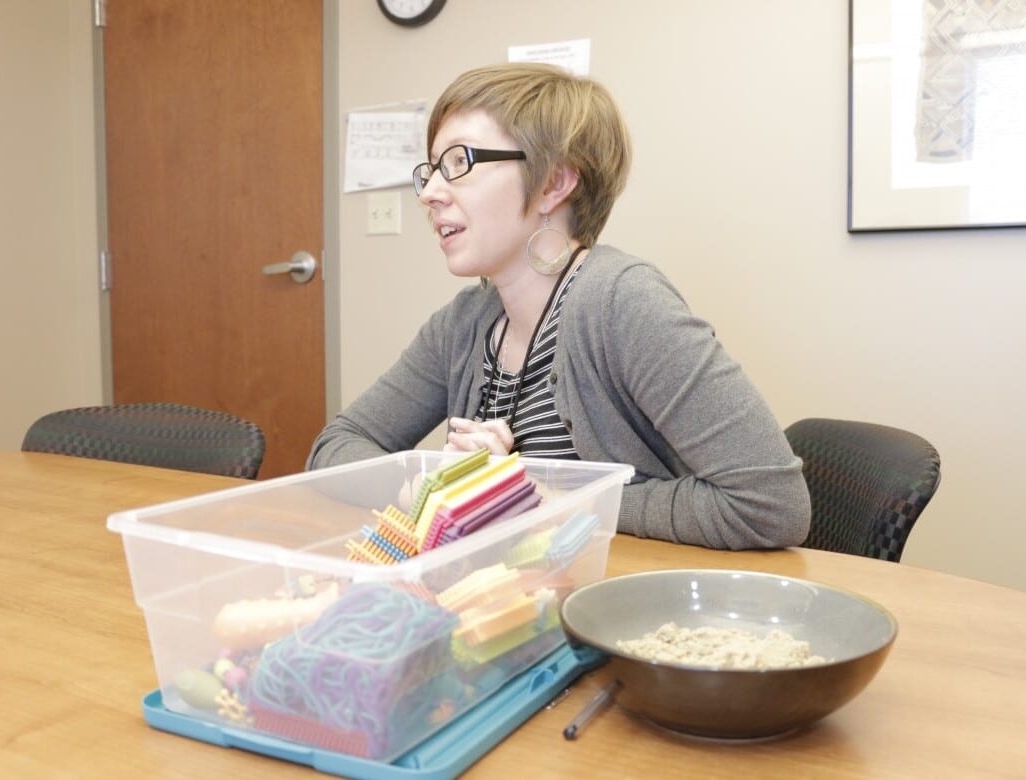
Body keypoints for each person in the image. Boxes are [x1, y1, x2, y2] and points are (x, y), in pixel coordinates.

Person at [307, 63, 810, 549]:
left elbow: (771, 505)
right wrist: (427, 488)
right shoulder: (463, 324)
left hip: (625, 610)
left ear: (553, 184)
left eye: (459, 163)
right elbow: (337, 446)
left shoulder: (621, 302)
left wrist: (539, 499)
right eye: (432, 169)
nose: (431, 193)